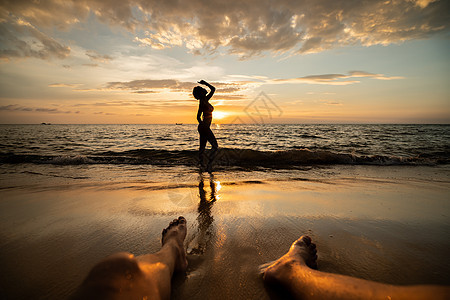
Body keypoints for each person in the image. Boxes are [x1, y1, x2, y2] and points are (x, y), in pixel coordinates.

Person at [72, 217, 450, 300]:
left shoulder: (204, 104)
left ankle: (171, 252)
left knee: (113, 276)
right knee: (115, 278)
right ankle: (291, 272)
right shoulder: (203, 106)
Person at [193, 80, 218, 170]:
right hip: (204, 127)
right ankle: (209, 165)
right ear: (201, 93)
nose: (204, 90)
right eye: (202, 90)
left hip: (203, 127)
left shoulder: (203, 101)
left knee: (202, 148)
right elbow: (198, 117)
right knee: (215, 146)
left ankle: (202, 165)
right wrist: (204, 126)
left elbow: (198, 117)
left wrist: (203, 125)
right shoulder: (203, 101)